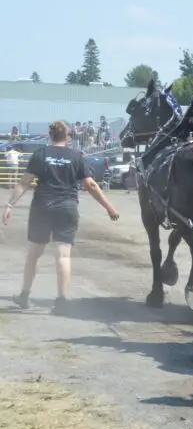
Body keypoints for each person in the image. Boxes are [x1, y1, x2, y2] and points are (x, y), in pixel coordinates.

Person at [2, 120, 119, 315]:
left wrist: (9, 204)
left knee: (34, 254)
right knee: (63, 256)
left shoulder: (41, 154)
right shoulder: (76, 157)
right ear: (68, 137)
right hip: (67, 207)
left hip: (42, 207)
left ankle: (24, 295)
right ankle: (62, 300)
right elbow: (91, 185)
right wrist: (109, 207)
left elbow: (24, 182)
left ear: (51, 136)